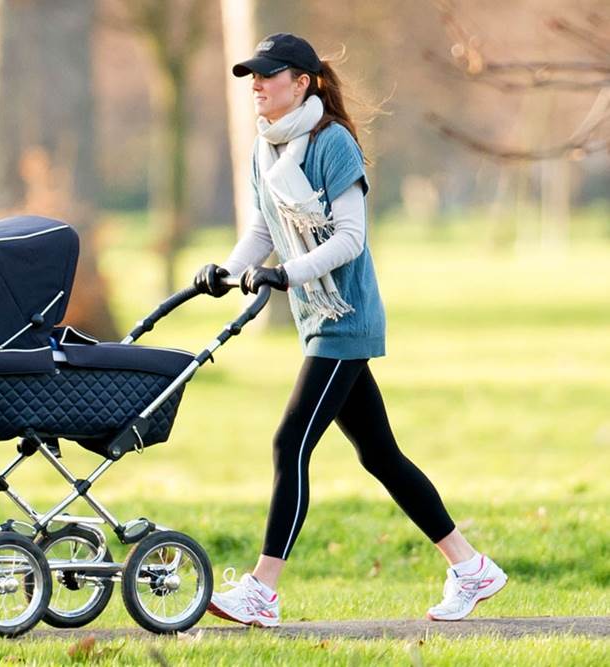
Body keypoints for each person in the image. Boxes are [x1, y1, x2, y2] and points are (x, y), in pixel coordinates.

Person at [194, 33, 507, 627]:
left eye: (268, 75)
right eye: (252, 76)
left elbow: (349, 238)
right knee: (380, 455)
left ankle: (263, 590)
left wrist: (284, 276)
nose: (255, 84)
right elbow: (264, 226)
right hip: (319, 320)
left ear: (303, 82)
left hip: (346, 318)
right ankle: (471, 568)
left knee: (291, 444)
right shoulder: (265, 149)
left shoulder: (331, 143)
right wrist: (227, 271)